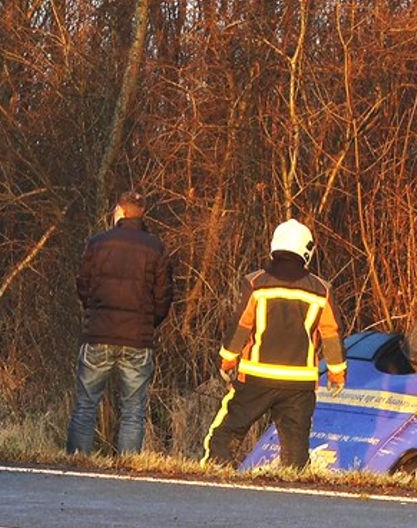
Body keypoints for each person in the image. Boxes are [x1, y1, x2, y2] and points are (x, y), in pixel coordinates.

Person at [201, 218, 346, 469]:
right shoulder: (322, 290)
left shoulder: (256, 283)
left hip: (256, 377)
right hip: (299, 383)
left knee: (227, 432)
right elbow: (331, 333)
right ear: (306, 250)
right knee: (295, 449)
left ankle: (214, 471)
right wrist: (337, 373)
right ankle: (293, 491)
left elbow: (241, 325)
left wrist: (228, 358)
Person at [67, 191, 171, 455]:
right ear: (142, 214)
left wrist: (94, 312)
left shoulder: (97, 243)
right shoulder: (155, 247)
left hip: (98, 334)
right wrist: (149, 323)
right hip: (138, 338)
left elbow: (83, 285)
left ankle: (78, 462)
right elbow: (164, 297)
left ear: (119, 212)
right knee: (133, 411)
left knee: (86, 406)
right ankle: (128, 469)